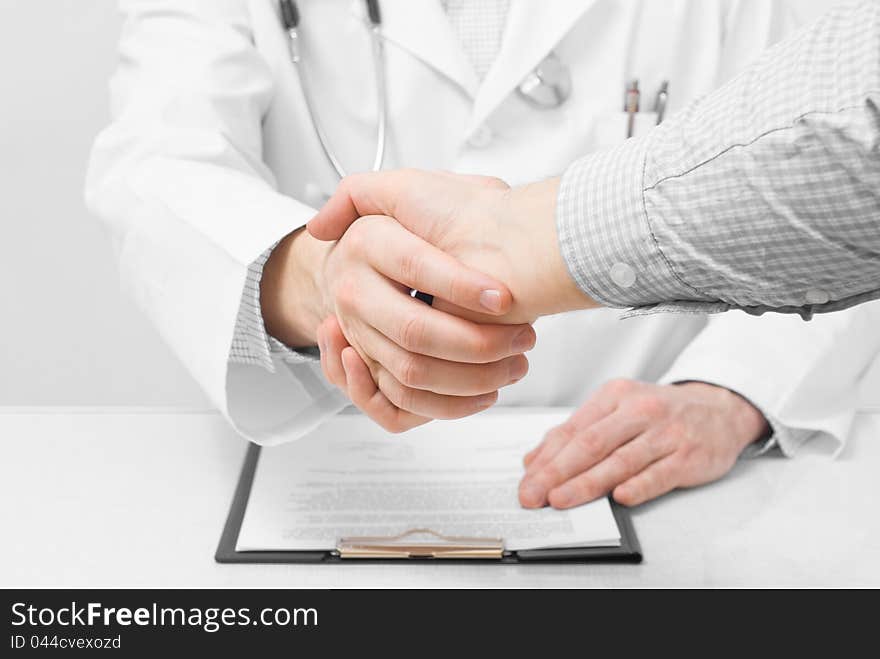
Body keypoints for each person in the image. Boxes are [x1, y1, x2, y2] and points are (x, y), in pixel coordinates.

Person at [86, 0, 879, 509]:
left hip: (662, 500)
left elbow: (847, 147)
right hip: (328, 480)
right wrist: (318, 276)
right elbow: (155, 164)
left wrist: (732, 388)